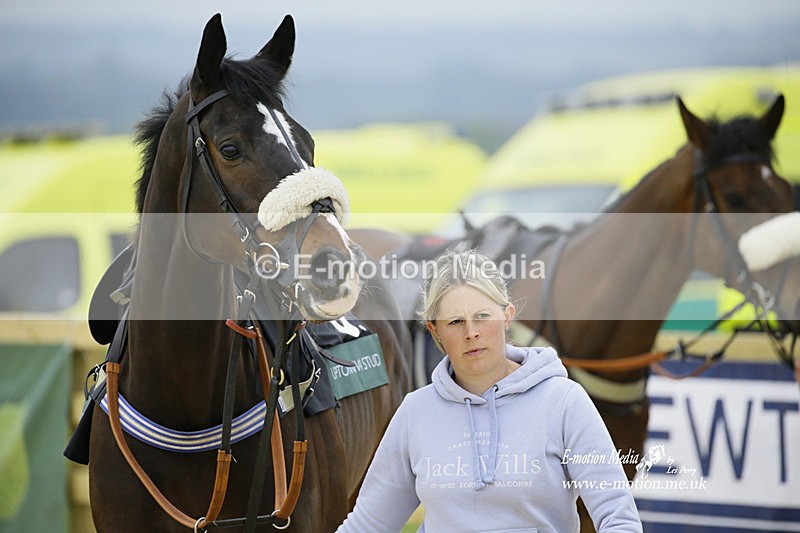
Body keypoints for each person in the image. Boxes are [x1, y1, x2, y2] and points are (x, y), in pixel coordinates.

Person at [336, 249, 643, 533]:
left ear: (507, 315)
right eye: (455, 322)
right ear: (434, 330)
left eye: (482, 316)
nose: (472, 333)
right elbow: (367, 525)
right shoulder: (415, 412)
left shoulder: (564, 401)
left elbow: (619, 520)